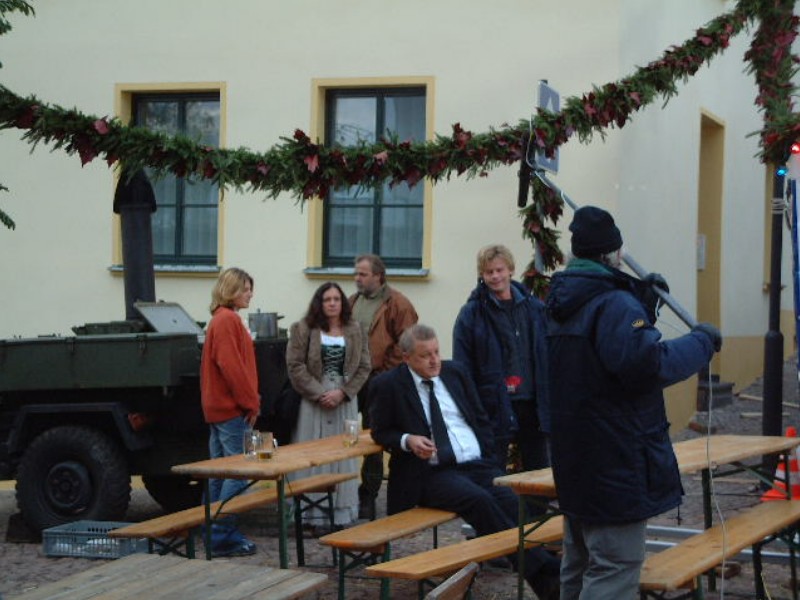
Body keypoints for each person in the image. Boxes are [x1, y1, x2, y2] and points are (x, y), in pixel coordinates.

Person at [545, 206, 723, 600]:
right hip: (616, 461)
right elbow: (645, 365)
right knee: (613, 567)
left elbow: (608, 352)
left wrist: (639, 299)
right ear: (613, 255)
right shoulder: (611, 306)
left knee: (578, 564)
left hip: (577, 459)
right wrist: (702, 343)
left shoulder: (564, 301)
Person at [370, 324, 561, 600]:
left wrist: (489, 458)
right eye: (425, 355)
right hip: (431, 472)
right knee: (478, 500)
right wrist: (408, 439)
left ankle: (545, 582)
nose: (435, 360)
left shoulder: (455, 373)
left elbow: (479, 418)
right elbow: (380, 431)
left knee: (509, 500)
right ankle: (544, 567)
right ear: (406, 357)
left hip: (475, 463)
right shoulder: (388, 385)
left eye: (436, 351)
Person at [453, 244, 550, 474]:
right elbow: (462, 364)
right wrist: (473, 405)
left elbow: (547, 353)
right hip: (493, 403)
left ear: (511, 270)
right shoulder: (471, 314)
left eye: (499, 270)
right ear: (482, 275)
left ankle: (537, 512)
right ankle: (499, 510)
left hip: (532, 402)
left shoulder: (534, 308)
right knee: (492, 471)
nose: (495, 276)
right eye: (489, 272)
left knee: (538, 470)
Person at [286, 281, 371, 529]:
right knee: (312, 452)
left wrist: (343, 392)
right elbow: (295, 366)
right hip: (313, 399)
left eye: (336, 299)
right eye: (327, 299)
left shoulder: (355, 329)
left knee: (343, 453)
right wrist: (320, 392)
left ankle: (341, 512)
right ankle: (310, 515)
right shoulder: (303, 329)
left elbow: (365, 366)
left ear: (342, 302)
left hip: (344, 399)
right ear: (319, 303)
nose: (332, 303)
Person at [349, 254, 418, 520]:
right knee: (346, 434)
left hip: (381, 380)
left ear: (378, 275)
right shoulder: (352, 302)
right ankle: (345, 491)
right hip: (352, 379)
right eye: (356, 273)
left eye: (362, 274)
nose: (357, 278)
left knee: (375, 436)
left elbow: (407, 344)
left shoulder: (397, 304)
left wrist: (384, 374)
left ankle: (369, 492)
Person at [200, 267, 260, 557]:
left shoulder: (221, 320)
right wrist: (251, 402)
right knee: (237, 472)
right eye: (246, 288)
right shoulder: (227, 320)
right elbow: (233, 368)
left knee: (220, 474)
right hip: (231, 409)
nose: (250, 293)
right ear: (233, 289)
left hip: (220, 409)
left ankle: (212, 531)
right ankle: (222, 534)